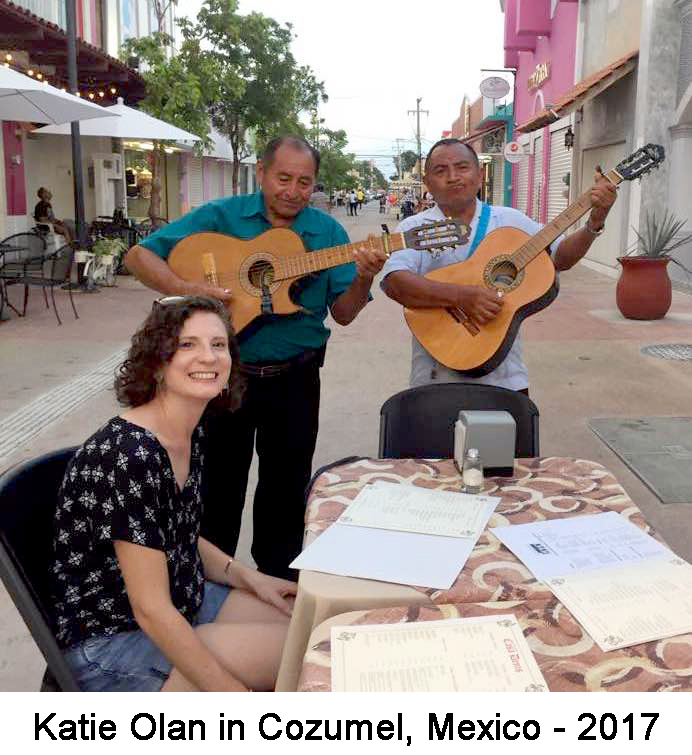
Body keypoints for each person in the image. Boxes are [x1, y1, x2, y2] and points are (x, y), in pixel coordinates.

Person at [124, 135, 386, 579]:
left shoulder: (328, 234)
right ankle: (207, 585)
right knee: (216, 489)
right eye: (283, 177)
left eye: (304, 182)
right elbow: (138, 255)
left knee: (286, 489)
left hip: (297, 379)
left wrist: (363, 278)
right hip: (221, 380)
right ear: (262, 173)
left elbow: (343, 314)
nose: (292, 190)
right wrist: (193, 290)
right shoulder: (219, 217)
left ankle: (278, 586)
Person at [52, 296, 297, 691]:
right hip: (114, 640)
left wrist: (251, 579)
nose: (208, 357)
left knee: (309, 622)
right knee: (309, 651)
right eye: (187, 345)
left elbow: (174, 531)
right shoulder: (129, 454)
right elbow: (149, 610)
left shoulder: (189, 427)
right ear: (157, 361)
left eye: (218, 345)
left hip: (183, 596)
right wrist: (230, 693)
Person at [381, 137, 617, 392]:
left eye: (462, 167)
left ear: (479, 175)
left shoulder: (511, 221)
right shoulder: (413, 228)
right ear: (427, 183)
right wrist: (462, 297)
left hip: (505, 377)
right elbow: (395, 282)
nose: (453, 177)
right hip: (434, 376)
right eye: (441, 170)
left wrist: (594, 222)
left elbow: (561, 257)